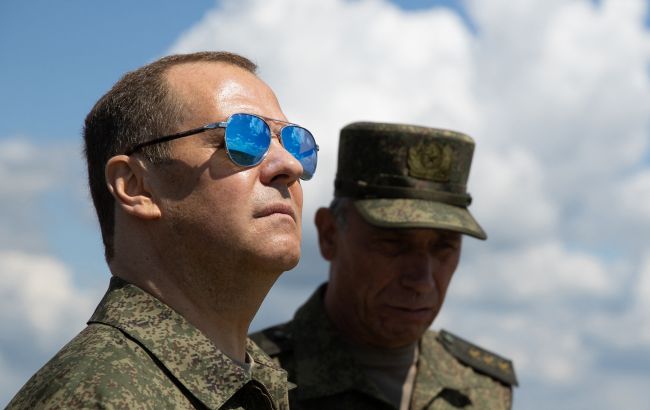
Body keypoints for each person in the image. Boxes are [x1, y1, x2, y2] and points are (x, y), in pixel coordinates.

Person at [8, 51, 319, 409]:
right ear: (136, 186)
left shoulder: (256, 384)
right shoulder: (97, 397)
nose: (290, 165)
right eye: (243, 139)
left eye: (294, 143)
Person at [252, 122, 517, 409]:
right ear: (329, 235)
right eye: (393, 244)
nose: (422, 281)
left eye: (444, 247)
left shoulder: (481, 389)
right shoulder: (253, 383)